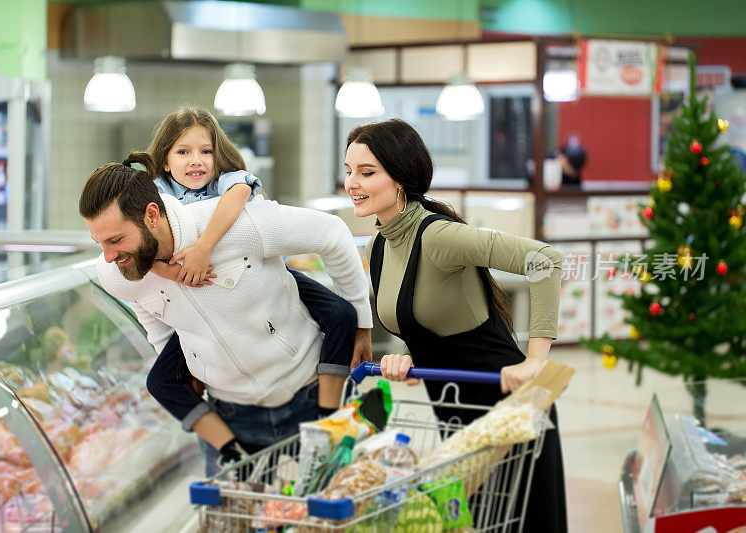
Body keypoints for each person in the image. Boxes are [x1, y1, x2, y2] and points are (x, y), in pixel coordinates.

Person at [79, 152, 372, 475]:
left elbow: (333, 233)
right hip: (232, 417)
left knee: (335, 514)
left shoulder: (237, 225)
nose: (107, 257)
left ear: (152, 216)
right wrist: (183, 367)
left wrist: (361, 323)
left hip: (311, 394)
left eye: (116, 240)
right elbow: (150, 313)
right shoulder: (116, 274)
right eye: (99, 243)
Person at [343, 119, 567, 533]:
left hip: (509, 414)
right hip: (455, 417)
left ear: (402, 178)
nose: (352, 182)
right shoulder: (378, 247)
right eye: (349, 170)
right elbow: (435, 323)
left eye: (367, 172)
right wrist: (408, 358)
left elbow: (545, 261)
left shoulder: (439, 236)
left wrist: (535, 360)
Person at [141, 107, 368, 442]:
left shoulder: (226, 181)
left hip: (261, 277)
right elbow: (138, 253)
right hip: (199, 304)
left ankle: (328, 415)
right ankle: (226, 446)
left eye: (206, 152)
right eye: (183, 152)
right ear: (164, 160)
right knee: (160, 380)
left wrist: (204, 248)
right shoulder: (156, 197)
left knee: (341, 314)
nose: (196, 161)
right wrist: (167, 272)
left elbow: (240, 192)